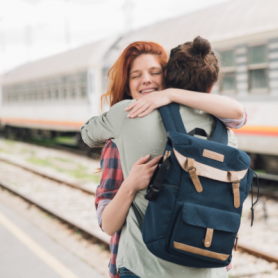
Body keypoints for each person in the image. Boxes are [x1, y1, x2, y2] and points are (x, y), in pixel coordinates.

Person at [81, 37, 246, 278]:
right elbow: (239, 114)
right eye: (135, 75)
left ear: (168, 76)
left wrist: (170, 95)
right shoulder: (225, 132)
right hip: (211, 266)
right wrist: (130, 186)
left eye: (154, 72)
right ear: (126, 85)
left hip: (143, 267)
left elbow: (87, 133)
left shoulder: (124, 122)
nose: (146, 79)